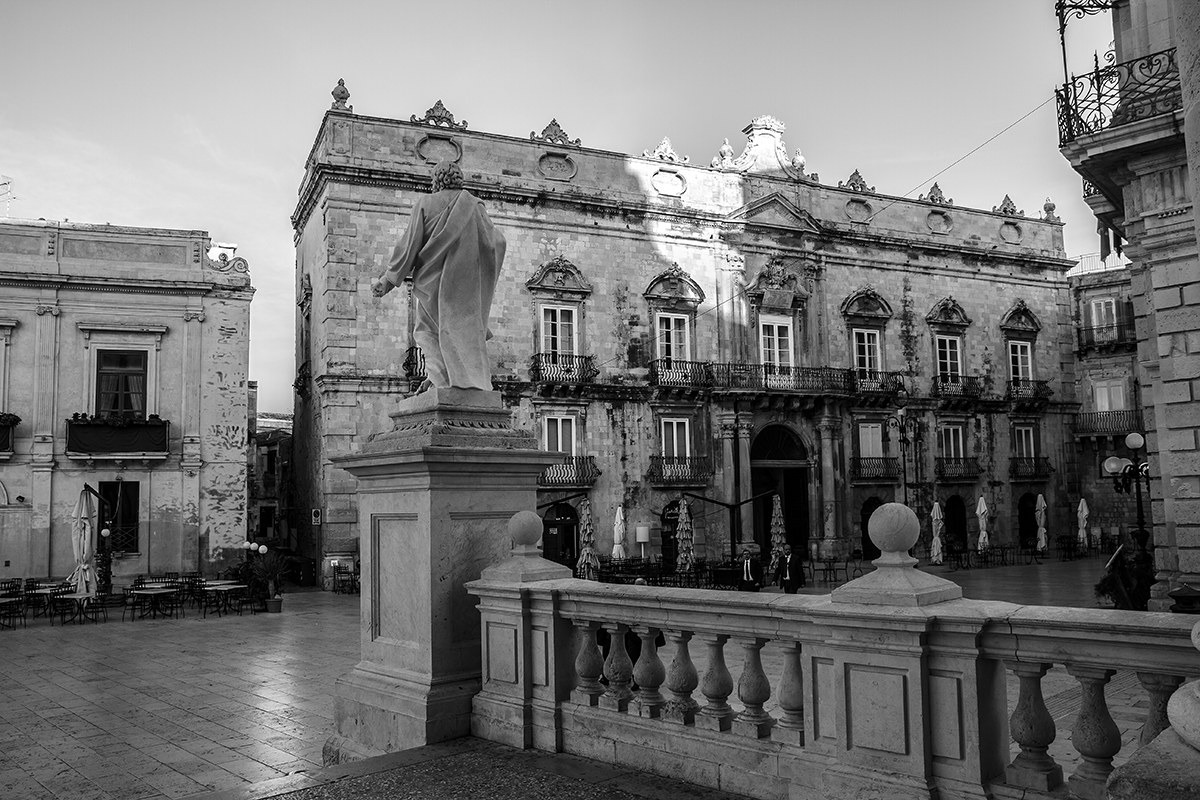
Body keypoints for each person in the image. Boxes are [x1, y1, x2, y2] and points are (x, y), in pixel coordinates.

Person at [372, 160, 506, 392]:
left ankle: (442, 380)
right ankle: (444, 379)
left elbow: (409, 245)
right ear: (458, 178)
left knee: (426, 332)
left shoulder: (426, 203)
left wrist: (388, 280)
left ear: (436, 179)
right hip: (464, 288)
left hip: (431, 285)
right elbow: (495, 242)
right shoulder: (474, 206)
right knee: (461, 333)